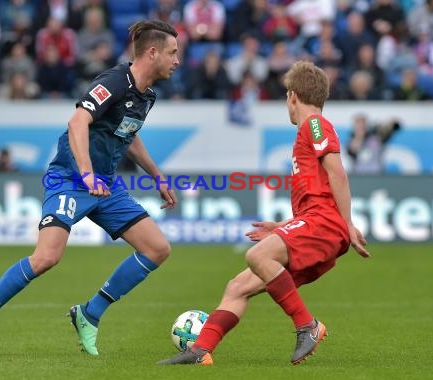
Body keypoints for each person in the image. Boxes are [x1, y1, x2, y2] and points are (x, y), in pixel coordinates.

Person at [0, 20, 180, 357]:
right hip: (71, 180)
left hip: (106, 185)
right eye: (173, 53)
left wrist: (157, 176)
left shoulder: (147, 95)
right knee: (46, 257)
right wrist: (86, 174)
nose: (177, 60)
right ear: (152, 52)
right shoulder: (115, 81)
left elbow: (128, 135)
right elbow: (77, 121)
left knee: (157, 249)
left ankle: (90, 314)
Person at [158, 61, 370, 366]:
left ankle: (307, 325)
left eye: (286, 95)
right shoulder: (307, 134)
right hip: (314, 221)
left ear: (294, 96)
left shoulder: (315, 125)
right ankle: (200, 350)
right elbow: (320, 190)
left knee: (257, 256)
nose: (287, 102)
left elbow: (338, 173)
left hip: (323, 224)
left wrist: (347, 223)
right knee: (238, 287)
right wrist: (284, 226)